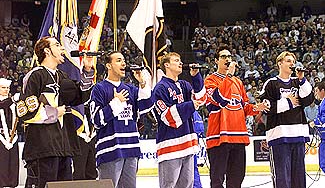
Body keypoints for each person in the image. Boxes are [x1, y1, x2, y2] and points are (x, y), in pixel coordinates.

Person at [17, 36, 94, 188]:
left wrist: (87, 70)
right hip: (43, 147)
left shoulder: (62, 76)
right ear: (47, 50)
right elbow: (24, 110)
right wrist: (53, 112)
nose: (62, 49)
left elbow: (79, 97)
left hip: (63, 146)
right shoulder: (35, 75)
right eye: (57, 45)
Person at [204, 46, 268, 188]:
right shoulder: (210, 80)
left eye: (229, 57)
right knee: (217, 180)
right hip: (218, 137)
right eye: (223, 57)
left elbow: (244, 107)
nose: (227, 59)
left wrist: (257, 108)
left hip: (238, 135)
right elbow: (219, 99)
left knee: (237, 179)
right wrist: (229, 76)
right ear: (216, 61)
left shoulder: (238, 83)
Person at [90, 51, 153, 188]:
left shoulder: (131, 89)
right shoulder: (99, 89)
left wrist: (142, 83)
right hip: (110, 149)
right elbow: (96, 120)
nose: (124, 63)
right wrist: (116, 103)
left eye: (124, 60)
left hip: (131, 149)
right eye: (118, 60)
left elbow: (146, 107)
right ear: (108, 65)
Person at [260, 51, 314, 188]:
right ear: (280, 63)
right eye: (289, 61)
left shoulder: (298, 82)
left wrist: (302, 79)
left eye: (293, 62)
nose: (292, 64)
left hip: (298, 135)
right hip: (279, 136)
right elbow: (267, 108)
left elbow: (308, 99)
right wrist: (289, 102)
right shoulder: (271, 83)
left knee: (299, 178)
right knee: (282, 178)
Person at [153, 52, 206, 188]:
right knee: (169, 185)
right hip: (170, 147)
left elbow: (201, 99)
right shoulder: (160, 88)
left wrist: (196, 77)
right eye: (176, 60)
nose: (180, 63)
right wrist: (190, 105)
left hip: (188, 146)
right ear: (167, 65)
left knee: (187, 185)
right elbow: (168, 117)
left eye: (180, 60)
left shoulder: (185, 85)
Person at [0, 78, 19, 188]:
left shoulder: (13, 103)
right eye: (3, 87)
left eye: (7, 88)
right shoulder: (9, 101)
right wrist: (12, 99)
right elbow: (2, 105)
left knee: (13, 161)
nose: (6, 90)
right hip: (1, 136)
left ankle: (12, 183)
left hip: (13, 135)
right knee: (2, 161)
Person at [309, 81, 325, 173]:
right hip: (323, 136)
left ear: (322, 90)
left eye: (316, 91)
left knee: (323, 164)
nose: (315, 94)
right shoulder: (322, 103)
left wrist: (314, 122)